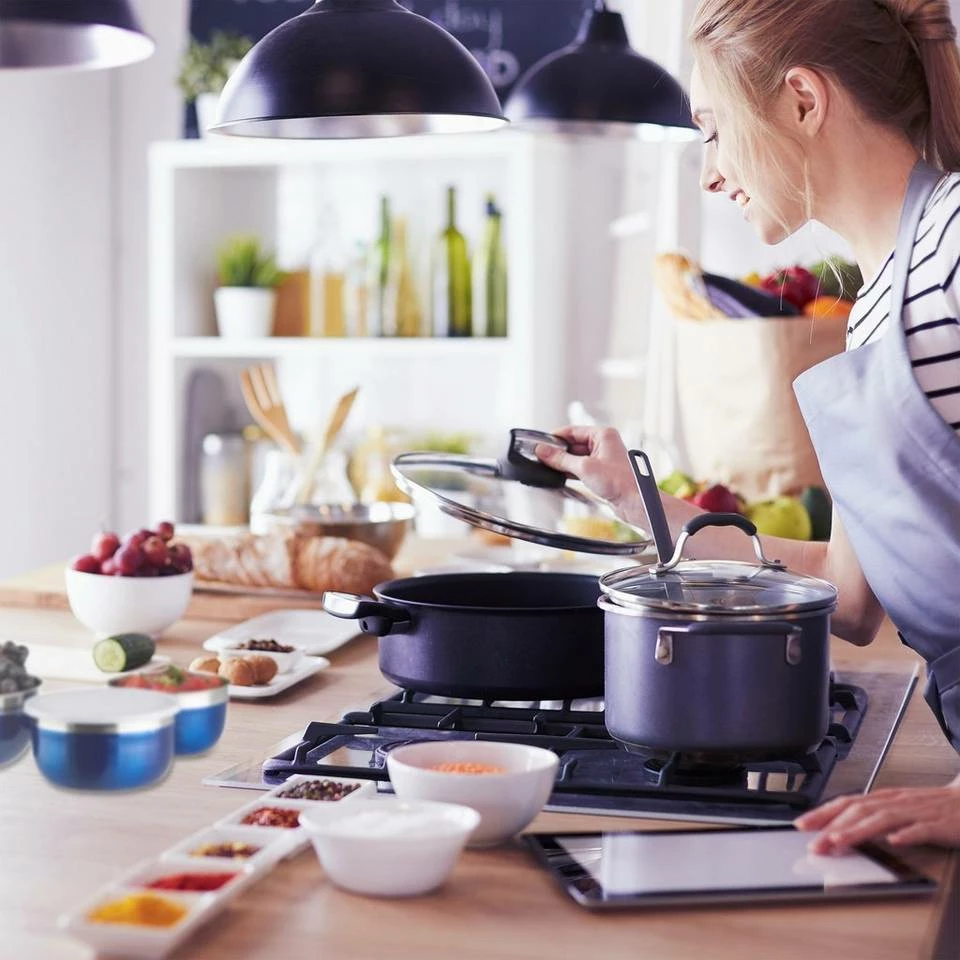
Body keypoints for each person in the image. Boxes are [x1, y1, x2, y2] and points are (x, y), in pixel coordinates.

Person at [536, 0, 960, 854]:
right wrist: (641, 505)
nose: (709, 174)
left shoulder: (953, 247)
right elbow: (845, 597)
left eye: (714, 131)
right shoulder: (879, 304)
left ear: (803, 100)